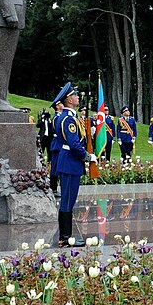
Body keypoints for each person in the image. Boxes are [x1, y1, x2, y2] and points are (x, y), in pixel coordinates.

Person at [52, 82, 95, 247]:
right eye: (75, 95)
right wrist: (87, 157)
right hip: (70, 162)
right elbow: (74, 144)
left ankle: (66, 236)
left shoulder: (71, 117)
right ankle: (65, 238)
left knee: (69, 200)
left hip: (70, 162)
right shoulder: (68, 118)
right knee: (67, 200)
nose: (78, 97)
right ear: (69, 99)